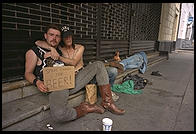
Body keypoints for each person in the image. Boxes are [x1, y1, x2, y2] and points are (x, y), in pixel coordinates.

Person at [28, 24, 125, 123]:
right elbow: (28, 73)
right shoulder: (34, 52)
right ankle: (85, 108)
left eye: (57, 36)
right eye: (51, 35)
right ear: (45, 36)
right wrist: (37, 82)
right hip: (56, 87)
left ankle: (108, 103)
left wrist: (53, 50)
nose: (54, 38)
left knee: (99, 65)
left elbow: (73, 62)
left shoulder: (60, 49)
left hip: (72, 80)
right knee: (59, 115)